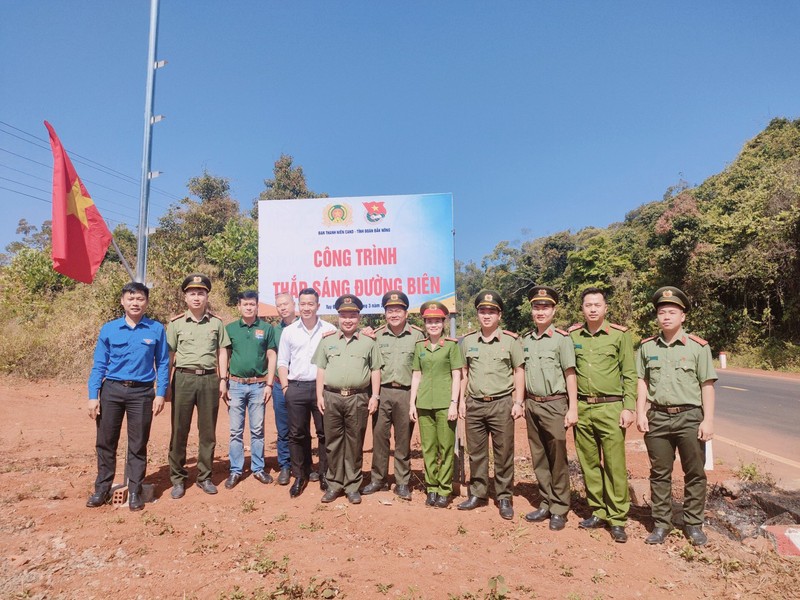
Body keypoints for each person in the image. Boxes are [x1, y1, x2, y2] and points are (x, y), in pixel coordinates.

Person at [636, 286, 717, 546]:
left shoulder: (698, 347)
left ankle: (693, 524)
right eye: (662, 312)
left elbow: (707, 385)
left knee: (694, 473)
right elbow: (642, 382)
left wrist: (708, 420)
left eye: (672, 312)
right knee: (659, 473)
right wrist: (640, 412)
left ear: (683, 316)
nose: (666, 317)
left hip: (690, 417)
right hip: (658, 417)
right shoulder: (647, 347)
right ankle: (661, 523)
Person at [86, 282, 170, 511]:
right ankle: (102, 489)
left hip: (142, 393)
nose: (135, 303)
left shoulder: (156, 329)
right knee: (106, 442)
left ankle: (135, 490)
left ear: (147, 302)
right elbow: (99, 365)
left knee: (138, 443)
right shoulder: (109, 329)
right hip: (111, 391)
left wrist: (160, 393)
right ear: (123, 301)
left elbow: (163, 363)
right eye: (131, 298)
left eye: (140, 299)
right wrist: (93, 395)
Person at [569, 287, 636, 542]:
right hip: (583, 407)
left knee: (614, 464)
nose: (593, 309)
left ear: (606, 308)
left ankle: (618, 517)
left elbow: (629, 374)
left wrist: (628, 407)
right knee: (588, 463)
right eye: (588, 305)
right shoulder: (574, 335)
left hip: (611, 407)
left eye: (598, 304)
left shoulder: (619, 336)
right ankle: (598, 510)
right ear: (582, 309)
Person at [458, 290, 525, 520]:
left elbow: (519, 371)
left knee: (503, 452)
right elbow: (464, 373)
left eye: (491, 311)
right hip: (475, 404)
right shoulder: (467, 342)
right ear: (477, 314)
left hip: (501, 404)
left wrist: (518, 401)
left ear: (500, 315)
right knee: (476, 453)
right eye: (482, 311)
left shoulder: (511, 341)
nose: (487, 315)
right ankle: (478, 493)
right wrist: (461, 401)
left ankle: (504, 496)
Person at [166, 274, 231, 499]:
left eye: (201, 293)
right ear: (185, 297)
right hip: (183, 379)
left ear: (207, 297)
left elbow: (223, 350)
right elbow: (170, 355)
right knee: (179, 430)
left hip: (209, 380)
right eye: (192, 293)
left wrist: (223, 379)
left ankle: (204, 477)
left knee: (207, 432)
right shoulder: (175, 324)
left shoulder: (216, 323)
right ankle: (178, 479)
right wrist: (165, 384)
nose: (196, 297)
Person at [313, 294, 382, 505]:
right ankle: (334, 484)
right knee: (333, 443)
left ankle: (352, 485)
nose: (348, 320)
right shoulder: (327, 340)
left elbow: (375, 370)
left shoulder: (369, 342)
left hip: (358, 398)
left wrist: (375, 396)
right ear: (338, 317)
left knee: (354, 442)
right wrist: (319, 396)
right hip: (332, 397)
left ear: (359, 317)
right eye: (344, 315)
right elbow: (321, 369)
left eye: (352, 315)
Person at [521, 286, 578, 531]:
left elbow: (570, 374)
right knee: (539, 457)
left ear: (554, 310)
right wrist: (521, 401)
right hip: (532, 404)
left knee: (557, 459)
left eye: (545, 307)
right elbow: (521, 373)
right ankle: (545, 502)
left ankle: (559, 508)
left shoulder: (562, 339)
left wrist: (572, 407)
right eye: (536, 307)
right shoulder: (525, 340)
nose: (540, 311)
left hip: (555, 404)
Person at [362, 290, 424, 500]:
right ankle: (378, 479)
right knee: (380, 437)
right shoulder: (376, 335)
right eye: (389, 310)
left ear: (406, 313)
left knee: (403, 439)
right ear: (384, 313)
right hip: (382, 392)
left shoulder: (417, 335)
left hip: (407, 393)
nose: (394, 314)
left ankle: (402, 482)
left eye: (398, 310)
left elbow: (421, 368)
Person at [277, 287, 336, 497]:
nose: (306, 308)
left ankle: (324, 474)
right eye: (303, 304)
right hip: (297, 388)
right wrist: (285, 387)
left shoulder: (329, 329)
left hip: (322, 389)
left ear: (318, 306)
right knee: (297, 434)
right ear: (297, 305)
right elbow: (282, 361)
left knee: (324, 433)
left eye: (311, 304)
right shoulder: (289, 331)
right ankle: (300, 475)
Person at [409, 301, 464, 508]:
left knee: (446, 447)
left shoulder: (450, 346)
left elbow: (456, 375)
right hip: (424, 403)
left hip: (444, 404)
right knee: (428, 447)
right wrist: (412, 403)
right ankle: (431, 487)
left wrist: (453, 403)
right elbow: (417, 374)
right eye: (429, 321)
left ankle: (444, 489)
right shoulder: (419, 347)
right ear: (424, 324)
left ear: (443, 323)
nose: (433, 325)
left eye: (437, 321)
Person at [224, 290, 277, 489]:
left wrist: (269, 384)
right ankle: (235, 470)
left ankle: (258, 468)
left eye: (252, 304)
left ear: (257, 306)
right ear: (238, 306)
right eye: (245, 304)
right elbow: (224, 356)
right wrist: (223, 381)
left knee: (257, 430)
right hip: (236, 385)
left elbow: (272, 356)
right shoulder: (230, 329)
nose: (248, 307)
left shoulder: (266, 328)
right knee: (235, 431)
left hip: (258, 385)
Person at [272, 292, 298, 485]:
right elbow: (271, 356)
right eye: (279, 305)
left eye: (285, 304)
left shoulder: (306, 326)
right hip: (280, 385)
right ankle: (285, 465)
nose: (282, 308)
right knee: (283, 429)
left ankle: (302, 465)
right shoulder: (274, 330)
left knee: (301, 428)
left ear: (293, 304)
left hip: (301, 386)